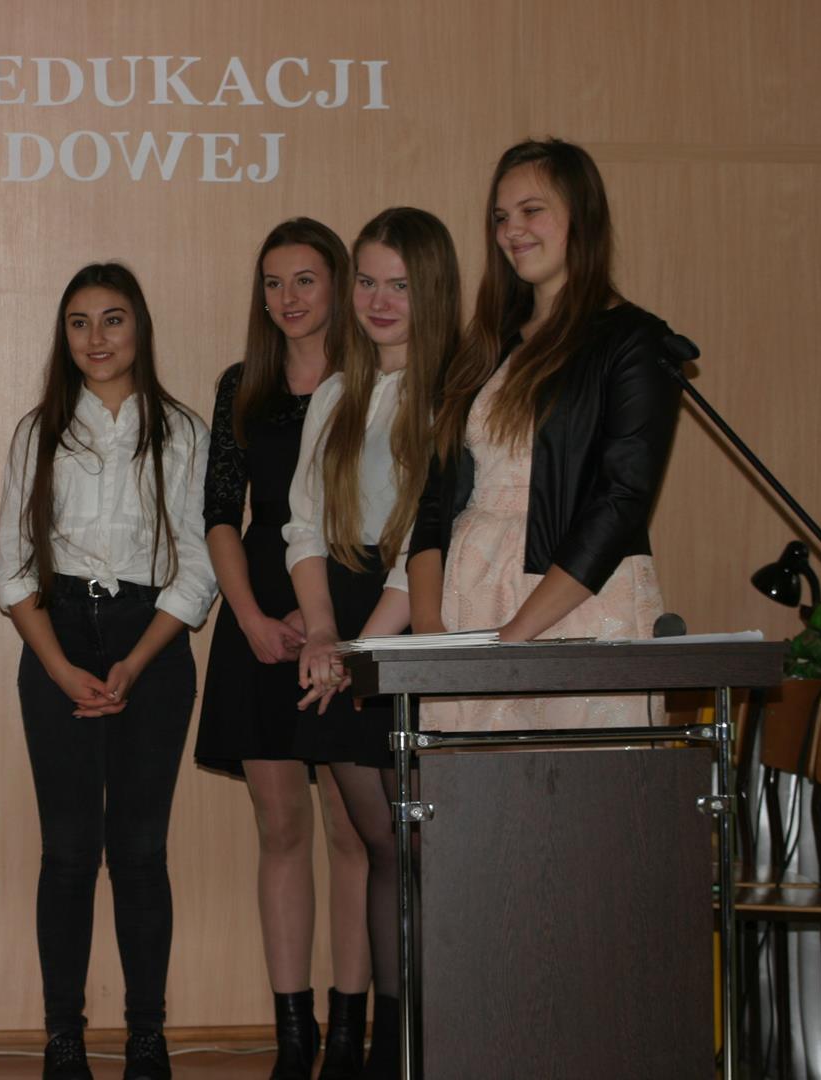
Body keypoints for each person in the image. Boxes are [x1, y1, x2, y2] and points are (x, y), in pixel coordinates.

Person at [0, 263, 215, 1080]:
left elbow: (199, 567)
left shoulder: (182, 431)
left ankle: (146, 1037)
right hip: (57, 639)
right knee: (67, 851)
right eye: (79, 322)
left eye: (113, 319)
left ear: (140, 328)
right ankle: (64, 1039)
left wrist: (136, 660)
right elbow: (12, 568)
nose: (96, 338)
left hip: (150, 640)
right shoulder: (39, 432)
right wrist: (57, 667)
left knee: (141, 850)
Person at [407, 138, 681, 729]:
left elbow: (622, 500)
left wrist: (514, 638)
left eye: (532, 211)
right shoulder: (485, 346)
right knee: (474, 786)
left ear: (582, 215)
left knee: (582, 782)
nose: (512, 231)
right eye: (501, 217)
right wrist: (429, 633)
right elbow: (434, 502)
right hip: (470, 600)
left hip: (576, 602)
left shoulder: (632, 340)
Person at [194, 217, 379, 1080]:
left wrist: (328, 621)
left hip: (351, 606)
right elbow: (219, 516)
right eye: (273, 282)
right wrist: (252, 620)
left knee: (353, 830)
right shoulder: (244, 385)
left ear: (338, 283)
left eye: (305, 279)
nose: (288, 297)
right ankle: (294, 1038)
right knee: (279, 829)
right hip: (259, 619)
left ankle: (348, 1037)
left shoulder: (374, 380)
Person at [286, 208, 462, 1079]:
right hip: (344, 619)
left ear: (433, 290)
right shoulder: (335, 394)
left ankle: (440, 1040)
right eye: (367, 281)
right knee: (384, 843)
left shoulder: (458, 394)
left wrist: (361, 650)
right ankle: (392, 1048)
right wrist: (322, 631)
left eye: (399, 284)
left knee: (425, 847)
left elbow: (427, 540)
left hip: (418, 614)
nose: (379, 300)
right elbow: (303, 525)